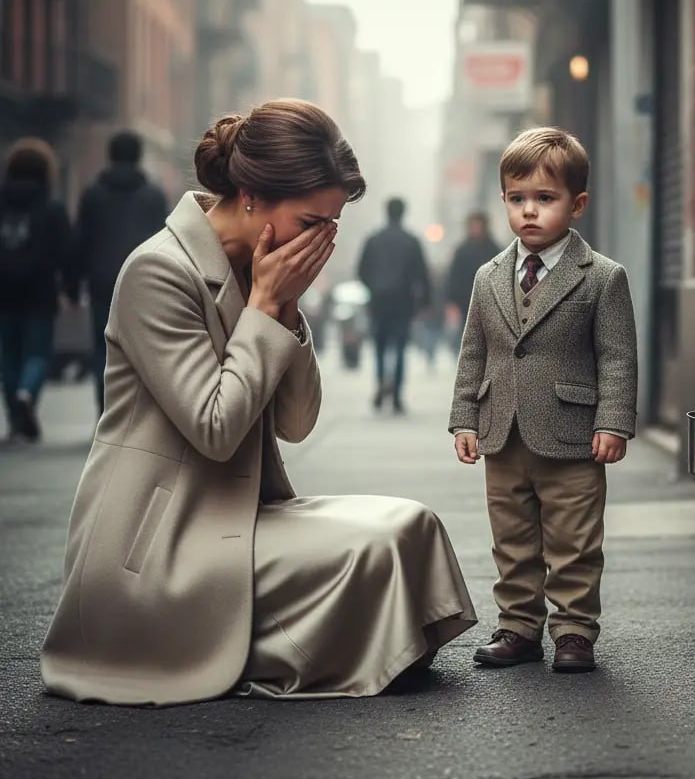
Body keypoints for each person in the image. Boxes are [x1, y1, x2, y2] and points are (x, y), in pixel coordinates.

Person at [40, 98, 476, 706]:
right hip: (160, 547)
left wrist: (287, 309)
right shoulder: (158, 273)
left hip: (242, 514)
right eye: (311, 223)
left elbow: (297, 424)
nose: (320, 244)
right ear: (250, 196)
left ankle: (350, 641)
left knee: (411, 524)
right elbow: (215, 428)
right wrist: (266, 307)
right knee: (368, 551)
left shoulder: (260, 268)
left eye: (332, 225)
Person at [449, 127, 638, 674]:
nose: (529, 210)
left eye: (545, 199)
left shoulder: (603, 277)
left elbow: (617, 356)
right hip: (501, 431)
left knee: (574, 539)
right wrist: (465, 417)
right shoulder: (488, 277)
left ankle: (575, 630)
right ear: (504, 199)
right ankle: (518, 627)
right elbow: (474, 352)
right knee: (511, 539)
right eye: (517, 198)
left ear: (576, 204)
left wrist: (615, 422)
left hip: (573, 434)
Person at [71, 130, 166, 412]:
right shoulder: (153, 196)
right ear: (138, 155)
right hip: (144, 281)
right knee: (141, 347)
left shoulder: (92, 194)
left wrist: (71, 286)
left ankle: (106, 412)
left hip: (101, 282)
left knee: (103, 348)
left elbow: (80, 240)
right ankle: (134, 413)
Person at [0, 138, 73, 442]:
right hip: (40, 292)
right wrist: (70, 287)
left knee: (9, 355)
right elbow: (66, 251)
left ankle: (17, 422)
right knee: (38, 353)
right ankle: (27, 393)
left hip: (3, 292)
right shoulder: (52, 207)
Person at [357, 197, 431, 413]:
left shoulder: (373, 240)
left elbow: (361, 270)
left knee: (379, 347)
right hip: (403, 301)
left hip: (378, 300)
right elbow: (422, 274)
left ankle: (380, 384)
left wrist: (373, 287)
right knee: (399, 347)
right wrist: (425, 301)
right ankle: (397, 395)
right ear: (403, 213)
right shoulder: (411, 241)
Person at [446, 211, 500, 348]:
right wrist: (452, 302)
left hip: (490, 300)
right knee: (469, 336)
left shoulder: (494, 249)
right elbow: (454, 277)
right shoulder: (462, 251)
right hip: (466, 300)